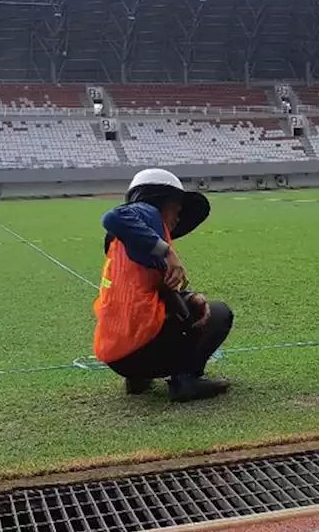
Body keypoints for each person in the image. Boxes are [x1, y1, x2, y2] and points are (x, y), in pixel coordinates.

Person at [93, 168, 233, 402]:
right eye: (176, 210)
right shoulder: (148, 213)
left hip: (116, 356)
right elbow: (113, 217)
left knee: (183, 307)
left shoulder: (132, 241)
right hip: (142, 351)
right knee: (219, 313)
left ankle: (138, 380)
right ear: (160, 201)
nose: (178, 219)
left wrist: (188, 297)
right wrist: (166, 250)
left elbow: (156, 289)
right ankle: (186, 380)